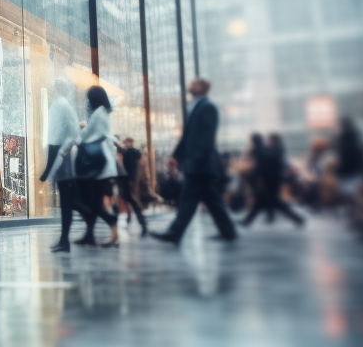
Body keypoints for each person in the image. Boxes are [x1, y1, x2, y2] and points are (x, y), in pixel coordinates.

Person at [152, 78, 238, 244]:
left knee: (189, 200)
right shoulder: (196, 106)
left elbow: (206, 139)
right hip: (201, 165)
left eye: (194, 84)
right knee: (212, 201)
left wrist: (193, 161)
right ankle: (228, 232)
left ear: (202, 88)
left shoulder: (208, 107)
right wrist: (175, 156)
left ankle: (174, 233)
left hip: (201, 164)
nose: (190, 86)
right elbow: (188, 137)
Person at [73, 86, 121, 246]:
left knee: (92, 202)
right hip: (100, 164)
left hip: (97, 165)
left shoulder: (99, 113)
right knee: (92, 201)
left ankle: (110, 223)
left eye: (89, 98)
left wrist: (77, 136)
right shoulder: (102, 112)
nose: (87, 101)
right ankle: (90, 235)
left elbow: (89, 135)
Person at [41, 78, 84, 252]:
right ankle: (64, 240)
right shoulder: (63, 105)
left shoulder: (60, 106)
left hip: (64, 161)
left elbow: (60, 137)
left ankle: (65, 240)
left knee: (67, 201)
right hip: (63, 160)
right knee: (67, 201)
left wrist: (50, 165)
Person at [242, 132, 305, 227]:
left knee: (270, 200)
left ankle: (297, 218)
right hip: (275, 179)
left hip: (267, 180)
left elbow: (259, 167)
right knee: (265, 200)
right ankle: (249, 221)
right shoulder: (277, 149)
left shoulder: (259, 149)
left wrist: (253, 175)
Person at [116, 137, 148, 236]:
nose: (125, 144)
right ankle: (131, 219)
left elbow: (124, 152)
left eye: (127, 142)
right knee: (127, 199)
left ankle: (142, 223)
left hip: (130, 180)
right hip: (127, 180)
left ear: (131, 142)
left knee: (132, 201)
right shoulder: (130, 152)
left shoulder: (133, 152)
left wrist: (116, 142)